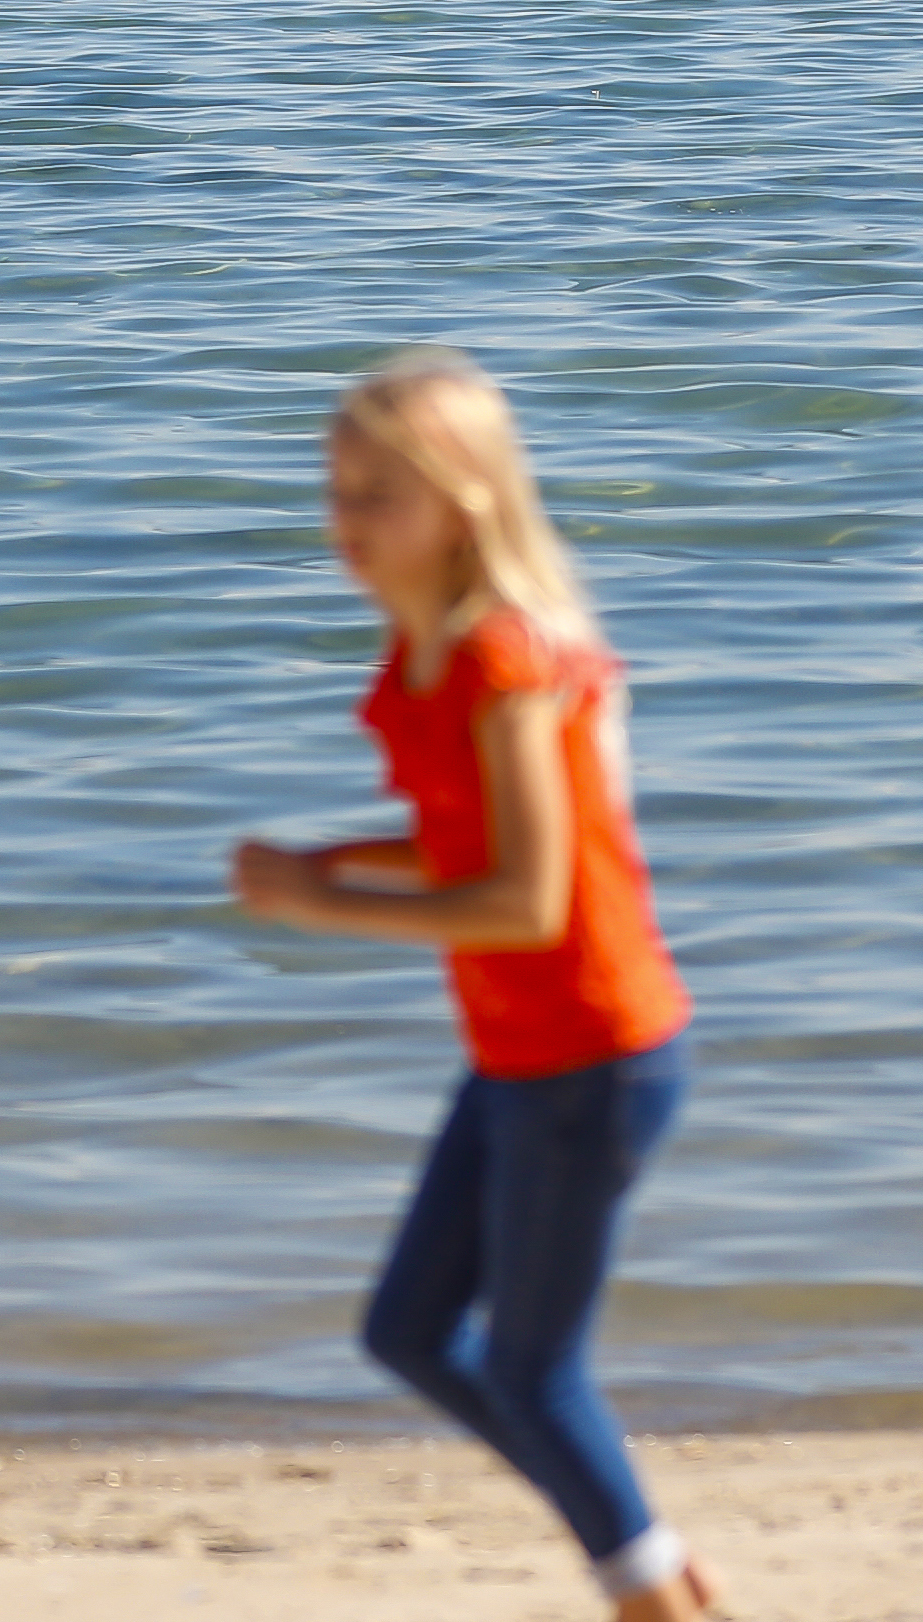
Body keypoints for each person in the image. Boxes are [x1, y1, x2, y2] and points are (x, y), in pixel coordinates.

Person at [229, 352, 709, 1622]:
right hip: (515, 1056)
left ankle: (647, 1585)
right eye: (336, 492)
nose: (346, 522)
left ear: (466, 503)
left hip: (596, 1051)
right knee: (406, 1332)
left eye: (378, 494)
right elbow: (462, 838)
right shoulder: (421, 662)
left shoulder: (506, 660)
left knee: (533, 1367)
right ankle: (640, 1544)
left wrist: (325, 901)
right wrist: (330, 858)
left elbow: (526, 899)